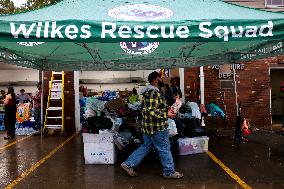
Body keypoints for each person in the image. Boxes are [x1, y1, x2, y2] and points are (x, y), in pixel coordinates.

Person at [121, 71, 183, 179]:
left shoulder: (149, 92)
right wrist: (166, 114)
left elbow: (149, 108)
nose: (162, 79)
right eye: (160, 78)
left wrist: (168, 107)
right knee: (164, 148)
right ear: (155, 80)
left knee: (146, 146)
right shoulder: (153, 93)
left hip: (148, 127)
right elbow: (150, 111)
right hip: (156, 127)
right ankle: (169, 172)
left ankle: (128, 164)